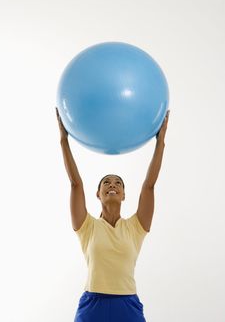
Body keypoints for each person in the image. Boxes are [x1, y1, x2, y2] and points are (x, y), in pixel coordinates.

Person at [56, 107, 170, 322]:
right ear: (98, 194)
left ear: (124, 195)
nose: (112, 185)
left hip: (127, 305)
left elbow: (149, 186)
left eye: (118, 183)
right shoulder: (86, 226)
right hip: (93, 305)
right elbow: (75, 184)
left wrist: (160, 142)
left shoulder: (136, 227)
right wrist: (64, 141)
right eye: (106, 182)